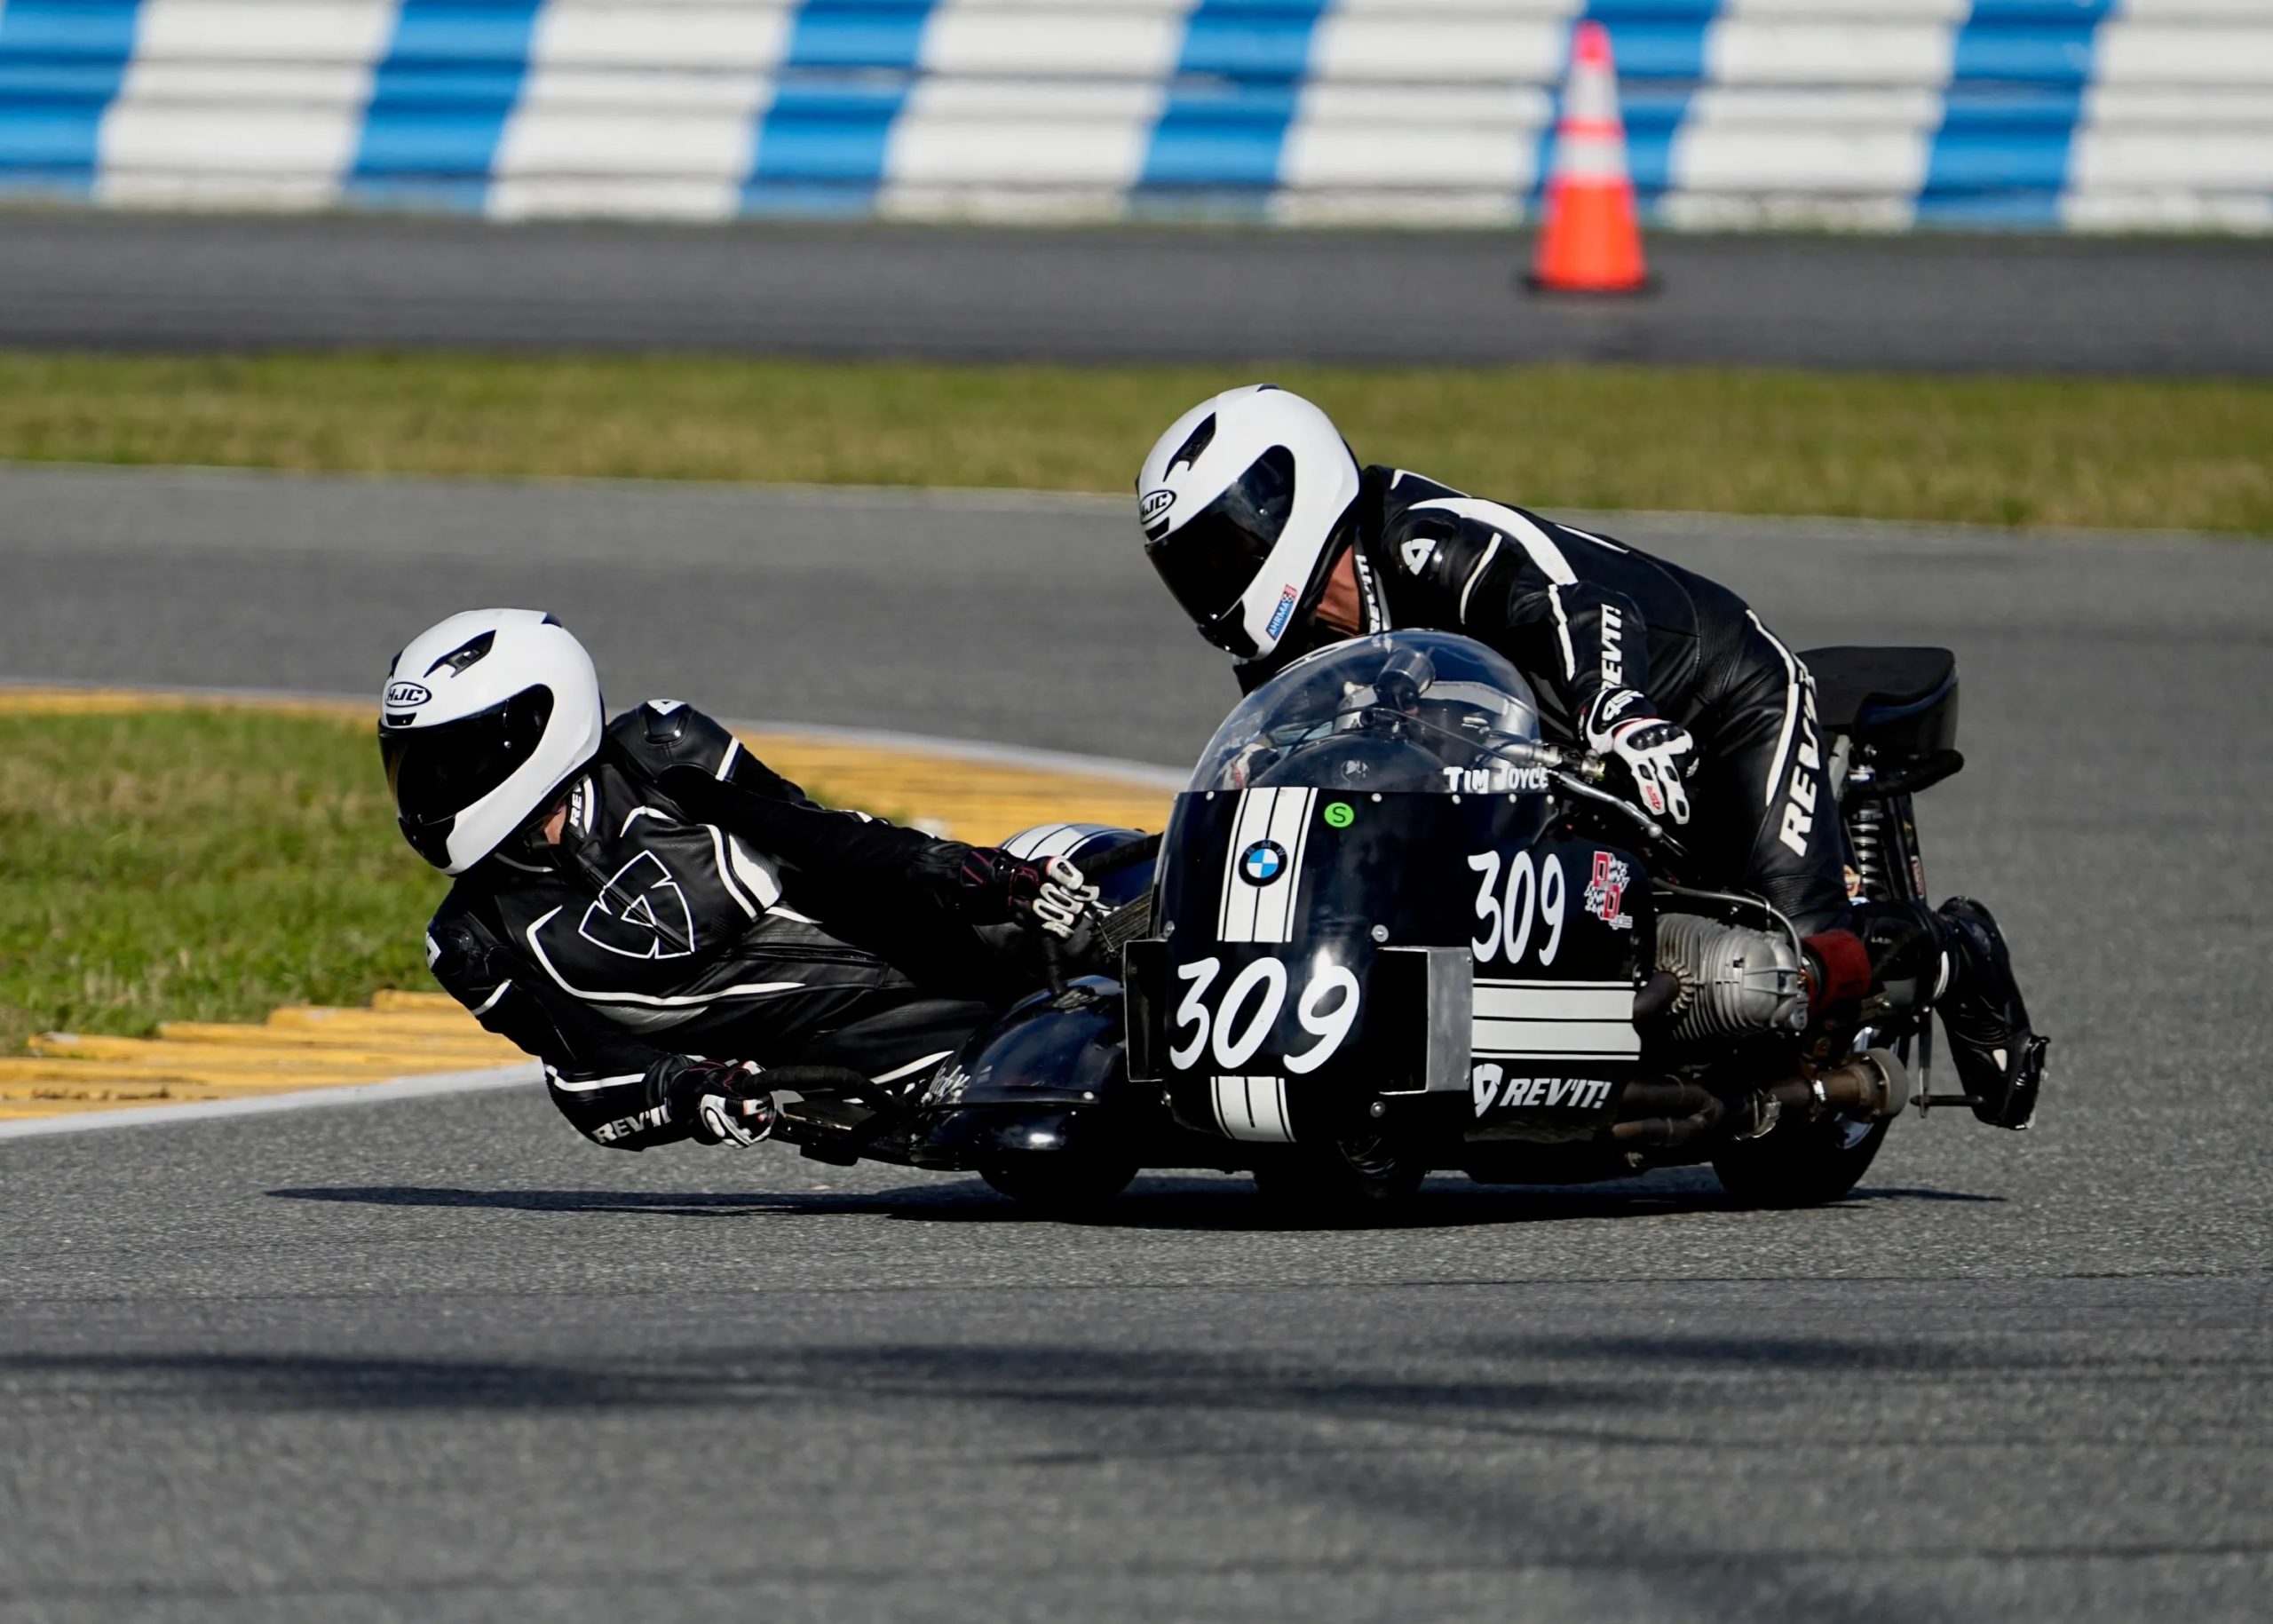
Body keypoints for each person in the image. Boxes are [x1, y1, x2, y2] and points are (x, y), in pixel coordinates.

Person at [1135, 384, 2046, 1129]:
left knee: (1804, 972)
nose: (1210, 581)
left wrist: (1614, 703)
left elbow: (1576, 600)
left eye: (1223, 547)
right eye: (1190, 564)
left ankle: (1946, 949)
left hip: (1715, 692)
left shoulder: (1429, 533)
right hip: (1554, 754)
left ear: (1289, 505)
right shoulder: (1281, 649)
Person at [380, 608, 1097, 1153]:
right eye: (411, 767)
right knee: (1020, 1133)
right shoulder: (471, 938)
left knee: (1083, 881)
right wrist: (691, 1093)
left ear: (539, 723)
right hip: (848, 1056)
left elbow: (820, 837)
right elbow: (582, 1069)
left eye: (449, 762)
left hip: (929, 930)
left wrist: (975, 874)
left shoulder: (658, 752)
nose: (427, 792)